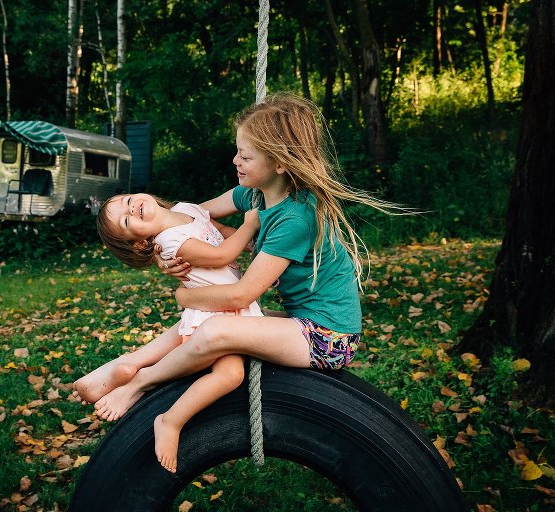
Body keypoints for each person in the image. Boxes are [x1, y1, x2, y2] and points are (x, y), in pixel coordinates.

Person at [77, 92, 400, 472]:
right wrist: (169, 255)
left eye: (245, 156)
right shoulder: (255, 193)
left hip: (327, 339)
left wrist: (184, 293)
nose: (235, 161)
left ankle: (140, 383)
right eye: (237, 151)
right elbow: (192, 218)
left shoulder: (296, 217)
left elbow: (245, 292)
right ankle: (125, 364)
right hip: (301, 320)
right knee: (199, 324)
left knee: (214, 330)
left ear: (279, 162)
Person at [73, 193, 263, 473]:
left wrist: (258, 249)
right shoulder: (173, 243)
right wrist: (251, 224)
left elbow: (222, 234)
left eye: (127, 201)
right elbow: (223, 254)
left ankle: (131, 366)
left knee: (212, 362)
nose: (131, 208)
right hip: (214, 314)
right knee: (230, 376)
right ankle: (170, 420)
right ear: (140, 242)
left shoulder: (188, 208)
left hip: (219, 306)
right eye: (126, 220)